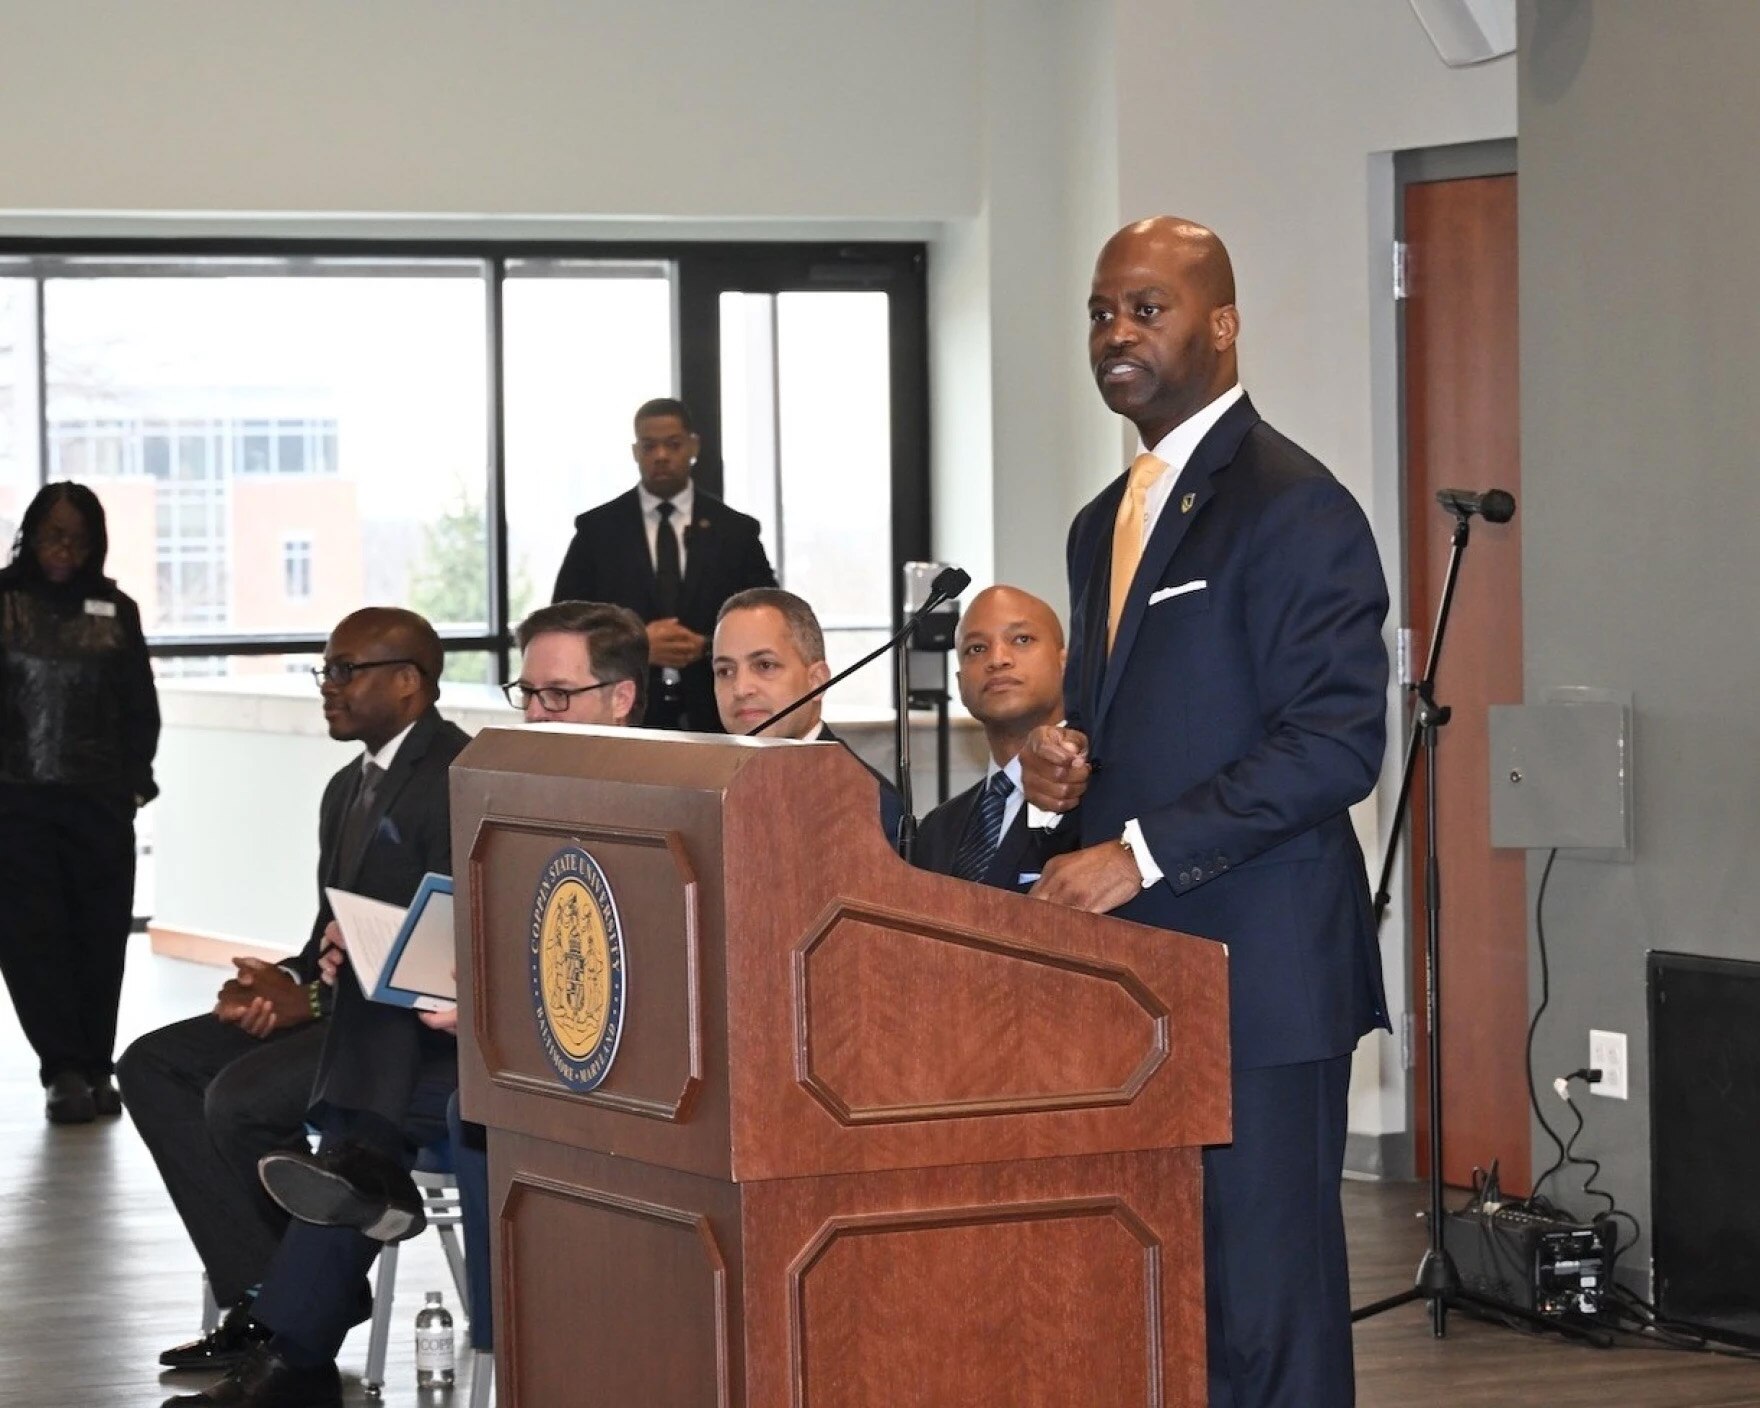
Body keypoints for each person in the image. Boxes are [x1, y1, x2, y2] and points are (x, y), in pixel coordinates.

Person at [1021, 217, 1390, 1408]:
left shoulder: (1294, 505)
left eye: (1146, 308)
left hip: (1260, 972)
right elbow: (1125, 724)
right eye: (1098, 311)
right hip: (1137, 979)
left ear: (1220, 326)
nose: (1115, 334)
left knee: (1264, 1303)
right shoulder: (1100, 521)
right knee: (1166, 1286)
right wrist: (1057, 775)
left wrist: (1132, 853)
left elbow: (1335, 742)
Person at [175, 604, 649, 1406]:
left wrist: (492, 1009)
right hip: (464, 1047)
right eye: (526, 692)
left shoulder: (656, 803)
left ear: (622, 698)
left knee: (395, 1108)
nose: (537, 712)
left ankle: (305, 1323)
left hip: (581, 1066)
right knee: (376, 1034)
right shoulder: (510, 790)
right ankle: (341, 1234)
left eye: (559, 694)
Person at [133, 608, 466, 1399]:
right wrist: (278, 986)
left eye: (347, 670)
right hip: (339, 1010)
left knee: (237, 1099)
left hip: (400, 1031)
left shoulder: (455, 777)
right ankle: (272, 1292)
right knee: (151, 1066)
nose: (329, 687)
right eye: (326, 670)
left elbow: (443, 949)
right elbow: (330, 937)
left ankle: (291, 1315)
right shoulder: (344, 788)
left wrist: (311, 1004)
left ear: (409, 682)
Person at [0, 482, 159, 1124]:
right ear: (31, 535)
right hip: (15, 802)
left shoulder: (114, 608)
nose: (64, 549)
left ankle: (97, 1063)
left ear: (95, 544)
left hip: (99, 801)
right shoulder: (2, 601)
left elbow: (139, 704)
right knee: (31, 939)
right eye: (53, 534)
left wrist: (133, 782)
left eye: (78, 538)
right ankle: (61, 1067)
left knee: (99, 934)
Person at [551, 397, 776, 732]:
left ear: (693, 446)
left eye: (672, 444)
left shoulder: (735, 532)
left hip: (717, 713)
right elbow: (563, 625)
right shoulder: (597, 531)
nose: (660, 456)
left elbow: (770, 619)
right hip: (626, 714)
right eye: (649, 446)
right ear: (635, 452)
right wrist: (636, 645)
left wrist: (708, 646)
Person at [712, 586, 904, 849]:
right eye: (725, 671)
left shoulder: (869, 802)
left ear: (817, 681)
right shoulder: (701, 788)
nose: (741, 688)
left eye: (765, 665)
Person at [913, 585, 1067, 890]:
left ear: (1066, 664)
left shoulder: (1102, 794)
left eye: (1022, 640)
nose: (997, 659)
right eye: (976, 649)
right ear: (959, 684)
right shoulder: (936, 829)